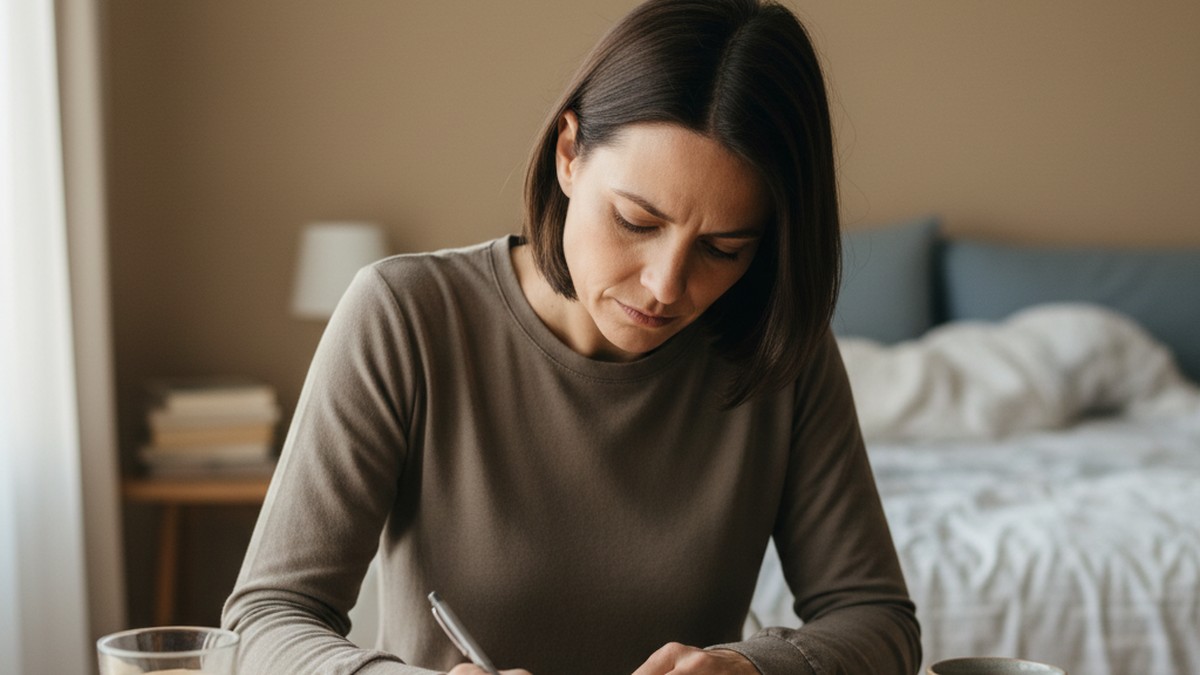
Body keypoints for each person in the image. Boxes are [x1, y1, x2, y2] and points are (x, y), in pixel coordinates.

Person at [222, 1, 921, 673]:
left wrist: (749, 667)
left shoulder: (778, 357)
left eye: (722, 249)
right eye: (636, 222)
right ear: (568, 153)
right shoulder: (406, 317)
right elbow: (267, 617)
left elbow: (877, 621)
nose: (666, 285)